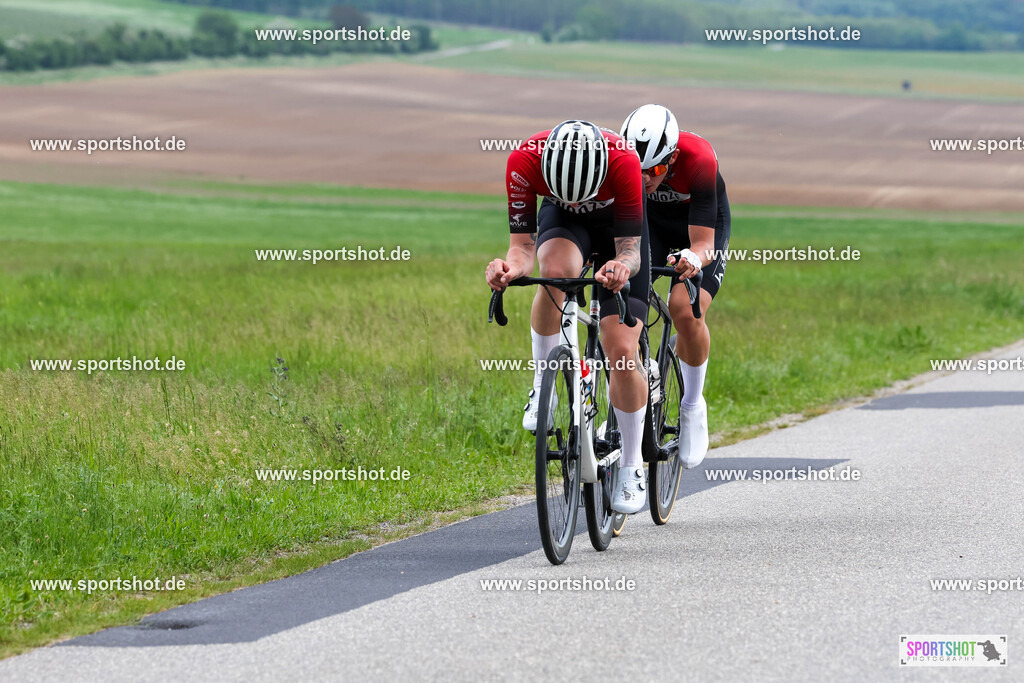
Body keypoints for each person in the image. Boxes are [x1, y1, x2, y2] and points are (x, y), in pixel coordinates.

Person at [484, 120, 651, 513]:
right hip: (564, 227)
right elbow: (522, 250)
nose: (577, 204)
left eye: (583, 197)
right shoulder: (523, 161)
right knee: (553, 273)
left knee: (622, 349)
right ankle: (543, 384)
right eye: (567, 197)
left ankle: (631, 464)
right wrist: (508, 270)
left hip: (617, 229)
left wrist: (621, 267)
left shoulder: (624, 160)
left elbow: (630, 250)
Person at [620, 104, 732, 470]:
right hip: (648, 223)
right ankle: (628, 396)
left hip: (696, 228)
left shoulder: (698, 159)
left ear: (673, 157)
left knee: (685, 309)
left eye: (653, 170)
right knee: (619, 314)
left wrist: (694, 259)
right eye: (636, 171)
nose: (645, 178)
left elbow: (703, 243)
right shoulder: (621, 161)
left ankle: (692, 406)